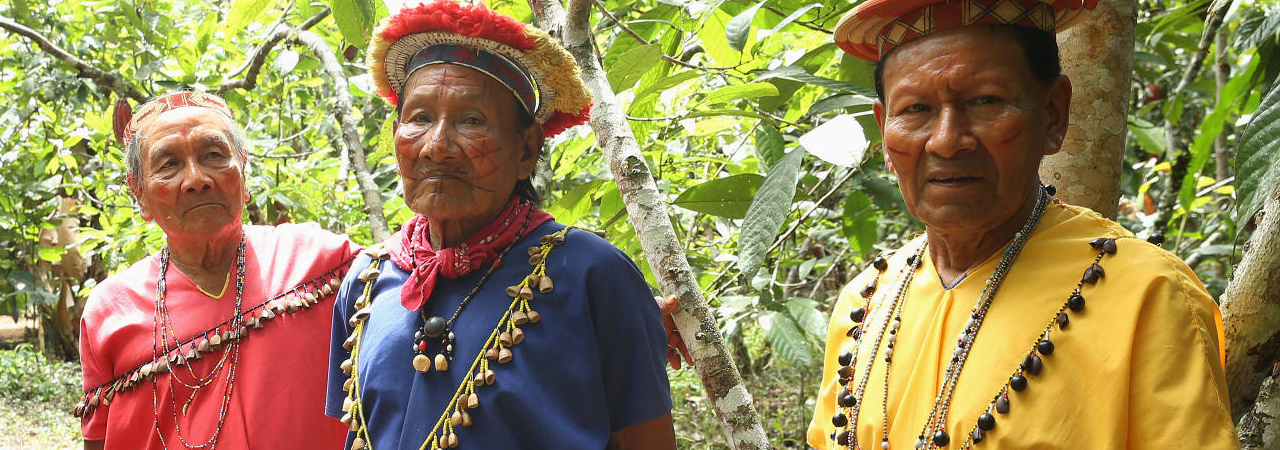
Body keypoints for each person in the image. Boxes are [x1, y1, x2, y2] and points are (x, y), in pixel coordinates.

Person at [804, 0, 1238, 448]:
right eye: (915, 109)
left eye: (985, 101)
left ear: (1053, 114)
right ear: (884, 130)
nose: (948, 140)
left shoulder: (1148, 293)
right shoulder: (865, 300)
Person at [324, 2, 675, 450]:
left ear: (526, 151)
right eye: (420, 119)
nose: (437, 146)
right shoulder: (366, 282)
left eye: (472, 121)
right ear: (396, 136)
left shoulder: (591, 274)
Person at [77, 91, 356, 450]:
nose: (196, 179)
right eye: (168, 165)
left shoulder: (323, 261)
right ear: (140, 194)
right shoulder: (110, 310)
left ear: (243, 170)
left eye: (213, 155)